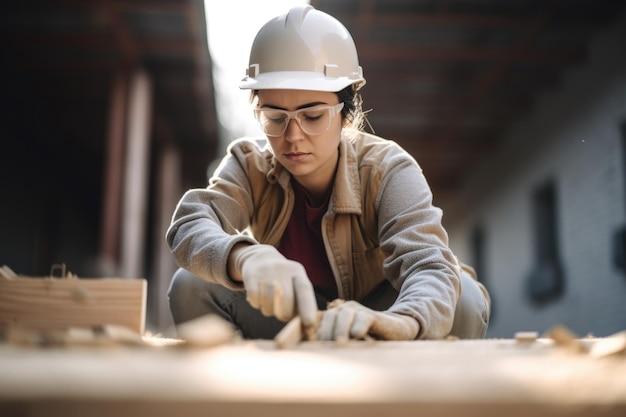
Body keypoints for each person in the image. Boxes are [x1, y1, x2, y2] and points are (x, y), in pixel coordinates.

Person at [166, 5, 490, 341]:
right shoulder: (250, 166)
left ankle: (426, 391)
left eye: (314, 116)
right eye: (276, 119)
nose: (293, 137)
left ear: (346, 115)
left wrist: (404, 322)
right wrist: (243, 256)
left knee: (462, 297)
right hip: (292, 317)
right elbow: (189, 223)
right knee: (191, 285)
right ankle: (253, 390)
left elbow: (428, 265)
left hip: (381, 317)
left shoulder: (389, 170)